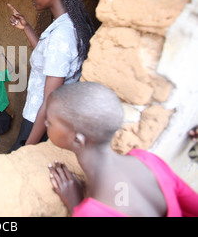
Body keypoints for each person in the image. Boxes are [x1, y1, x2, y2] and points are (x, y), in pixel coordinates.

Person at [46, 82, 198, 217]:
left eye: (50, 122)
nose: (46, 124)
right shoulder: (148, 160)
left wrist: (75, 205)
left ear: (78, 140)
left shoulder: (91, 212)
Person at [8, 0, 95, 153]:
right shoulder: (66, 26)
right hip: (47, 118)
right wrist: (26, 28)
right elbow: (51, 59)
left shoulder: (62, 35)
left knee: (17, 166)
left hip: (42, 121)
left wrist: (27, 149)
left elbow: (50, 100)